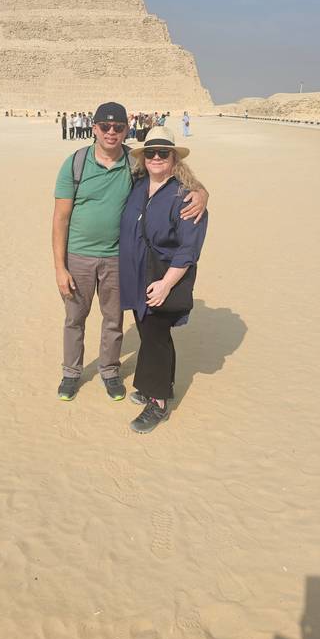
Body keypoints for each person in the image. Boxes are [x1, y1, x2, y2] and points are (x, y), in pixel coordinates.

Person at [52, 102, 209, 403]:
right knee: (75, 317)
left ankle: (110, 371)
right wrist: (60, 267)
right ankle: (71, 373)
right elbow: (60, 218)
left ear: (126, 130)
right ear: (94, 128)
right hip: (79, 256)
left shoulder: (132, 163)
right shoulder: (75, 164)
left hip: (115, 258)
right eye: (105, 126)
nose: (111, 132)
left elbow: (174, 177)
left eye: (118, 127)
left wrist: (202, 193)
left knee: (113, 318)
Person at [119, 126, 208, 433]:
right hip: (136, 275)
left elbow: (188, 248)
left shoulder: (185, 196)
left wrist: (167, 284)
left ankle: (158, 402)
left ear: (174, 159)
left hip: (160, 277)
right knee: (148, 332)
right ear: (143, 158)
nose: (156, 158)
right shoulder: (138, 185)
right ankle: (147, 385)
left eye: (163, 153)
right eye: (150, 153)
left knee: (156, 336)